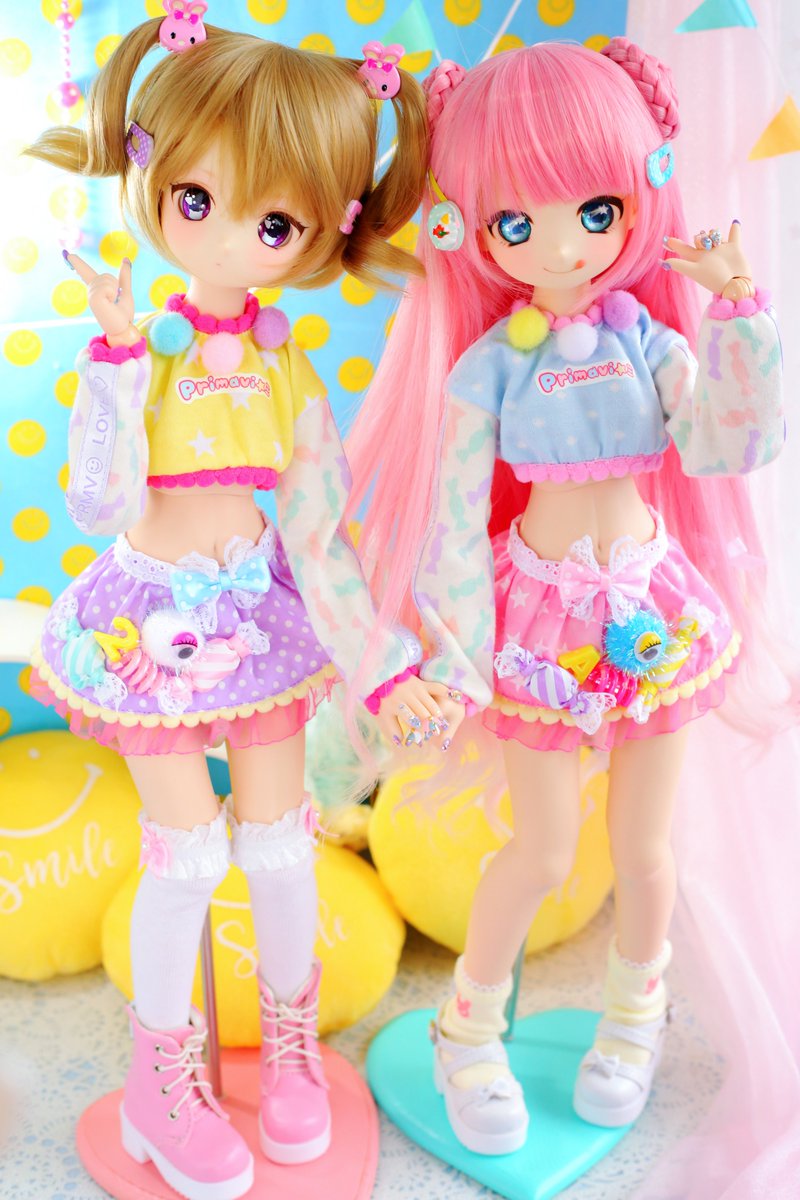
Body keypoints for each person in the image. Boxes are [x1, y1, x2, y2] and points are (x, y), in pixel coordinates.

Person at [346, 37, 785, 1160]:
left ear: (639, 193)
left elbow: (728, 447)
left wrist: (738, 309)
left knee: (646, 849)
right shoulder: (490, 363)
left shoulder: (650, 341)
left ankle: (635, 1018)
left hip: (652, 611)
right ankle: (464, 1029)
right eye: (515, 220)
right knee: (538, 853)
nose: (559, 244)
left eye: (593, 211)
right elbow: (452, 515)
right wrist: (452, 647)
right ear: (471, 226)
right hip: (537, 621)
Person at [26, 9, 438, 1198]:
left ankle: (291, 1049)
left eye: (272, 222)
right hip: (147, 626)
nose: (225, 237)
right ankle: (160, 1082)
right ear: (150, 173)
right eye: (197, 199)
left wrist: (383, 664)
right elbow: (98, 501)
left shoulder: (285, 365)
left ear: (319, 232)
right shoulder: (143, 352)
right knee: (185, 860)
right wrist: (113, 361)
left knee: (281, 846)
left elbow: (318, 532)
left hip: (260, 624)